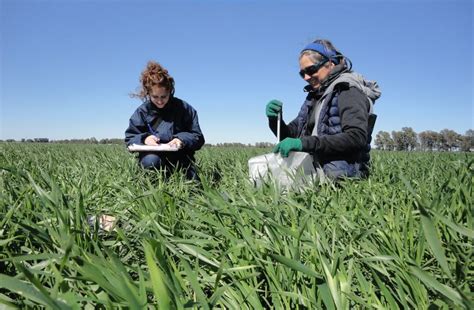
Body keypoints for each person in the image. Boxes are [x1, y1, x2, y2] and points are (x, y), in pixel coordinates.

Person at [266, 39, 381, 180]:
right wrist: (275, 120)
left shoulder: (348, 90)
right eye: (302, 73)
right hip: (315, 173)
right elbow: (291, 135)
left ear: (331, 63)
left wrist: (304, 143)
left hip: (343, 178)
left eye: (311, 70)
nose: (306, 77)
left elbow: (356, 137)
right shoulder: (314, 96)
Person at [125, 61, 205, 180]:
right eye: (155, 97)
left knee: (195, 186)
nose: (160, 101)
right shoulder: (142, 111)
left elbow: (197, 137)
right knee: (150, 161)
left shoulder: (185, 109)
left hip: (182, 158)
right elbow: (130, 138)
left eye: (164, 96)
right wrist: (144, 138)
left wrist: (181, 140)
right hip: (153, 157)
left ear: (170, 91)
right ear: (148, 94)